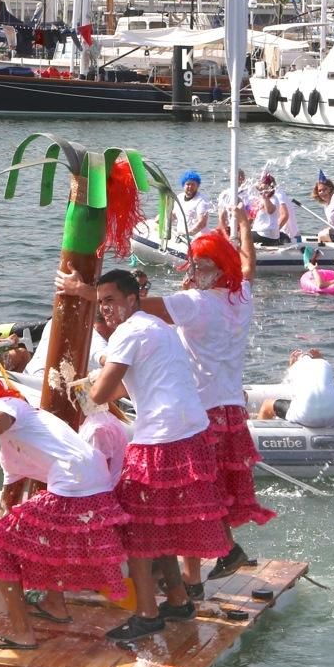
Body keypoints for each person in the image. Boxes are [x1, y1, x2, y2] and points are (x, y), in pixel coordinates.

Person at [79, 217, 272, 594]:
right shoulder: (241, 295)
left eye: (204, 266)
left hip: (201, 410)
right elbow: (249, 264)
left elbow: (134, 306)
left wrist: (81, 290)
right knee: (201, 496)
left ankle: (214, 562)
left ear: (221, 269)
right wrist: (244, 230)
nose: (196, 272)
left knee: (194, 497)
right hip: (232, 407)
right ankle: (194, 578)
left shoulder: (195, 303)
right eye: (194, 265)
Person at [77, 268, 230, 641]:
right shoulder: (157, 326)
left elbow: (100, 396)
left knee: (137, 530)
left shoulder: (129, 332)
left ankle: (147, 614)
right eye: (102, 304)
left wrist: (80, 384)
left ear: (133, 299)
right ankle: (177, 599)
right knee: (157, 526)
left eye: (111, 301)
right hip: (190, 432)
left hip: (162, 439)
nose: (107, 310)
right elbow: (134, 379)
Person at [0, 376, 130, 650]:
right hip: (91, 484)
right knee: (27, 539)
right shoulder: (11, 449)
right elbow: (7, 501)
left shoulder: (8, 404)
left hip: (76, 484)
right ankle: (54, 604)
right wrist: (1, 526)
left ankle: (21, 632)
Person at [257, 349, 334, 427]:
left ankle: (256, 436)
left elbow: (292, 387)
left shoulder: (295, 368)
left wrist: (291, 366)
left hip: (306, 417)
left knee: (266, 405)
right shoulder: (325, 363)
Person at [250, 172, 289, 246]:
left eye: (262, 183)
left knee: (240, 235)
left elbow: (270, 210)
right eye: (260, 182)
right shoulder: (261, 199)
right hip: (260, 232)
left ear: (268, 186)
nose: (260, 184)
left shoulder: (273, 198)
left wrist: (264, 196)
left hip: (266, 234)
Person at [171, 170, 210, 239]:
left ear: (198, 186)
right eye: (188, 184)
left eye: (193, 184)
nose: (190, 187)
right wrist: (160, 220)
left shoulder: (202, 200)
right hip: (181, 237)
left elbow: (202, 223)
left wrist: (188, 234)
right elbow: (174, 215)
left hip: (197, 238)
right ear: (183, 185)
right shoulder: (179, 197)